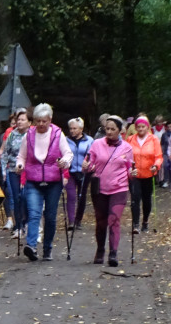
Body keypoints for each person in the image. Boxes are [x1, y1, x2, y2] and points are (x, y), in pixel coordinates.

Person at [16, 103, 72, 261]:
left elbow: (68, 154)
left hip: (53, 181)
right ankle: (31, 246)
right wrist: (19, 165)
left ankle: (47, 248)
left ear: (50, 120)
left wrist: (64, 162)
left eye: (44, 121)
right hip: (33, 180)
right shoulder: (29, 135)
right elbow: (21, 156)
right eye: (38, 121)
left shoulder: (58, 134)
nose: (40, 124)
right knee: (34, 214)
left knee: (50, 216)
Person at [83, 115, 133, 266]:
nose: (109, 132)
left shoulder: (127, 148)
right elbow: (89, 164)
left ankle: (113, 253)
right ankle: (100, 250)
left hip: (119, 188)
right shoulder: (96, 144)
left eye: (113, 129)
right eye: (107, 128)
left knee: (114, 220)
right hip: (100, 188)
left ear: (120, 130)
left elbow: (130, 169)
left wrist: (133, 174)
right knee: (101, 221)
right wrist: (87, 167)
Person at [126, 114, 162, 233]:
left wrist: (156, 165)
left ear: (147, 127)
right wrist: (129, 167)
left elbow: (158, 156)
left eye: (143, 127)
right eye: (139, 127)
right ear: (135, 127)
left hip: (148, 174)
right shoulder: (131, 139)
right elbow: (126, 155)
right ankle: (135, 224)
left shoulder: (153, 139)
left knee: (146, 200)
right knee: (135, 199)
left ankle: (145, 221)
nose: (141, 129)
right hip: (135, 174)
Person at [0, 108, 30, 236]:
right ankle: (18, 226)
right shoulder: (12, 134)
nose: (19, 122)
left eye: (23, 120)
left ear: (29, 122)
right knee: (17, 197)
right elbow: (5, 153)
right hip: (13, 170)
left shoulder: (32, 134)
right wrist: (3, 171)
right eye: (18, 120)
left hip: (28, 171)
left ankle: (27, 222)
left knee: (26, 197)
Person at [64, 118, 92, 231]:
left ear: (81, 129)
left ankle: (78, 220)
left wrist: (88, 163)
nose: (72, 131)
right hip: (70, 171)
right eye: (70, 128)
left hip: (84, 171)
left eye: (75, 128)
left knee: (82, 196)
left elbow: (93, 155)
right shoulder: (65, 140)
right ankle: (71, 221)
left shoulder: (89, 140)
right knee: (71, 196)